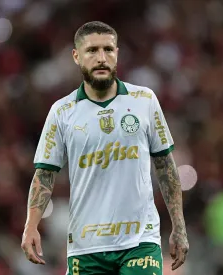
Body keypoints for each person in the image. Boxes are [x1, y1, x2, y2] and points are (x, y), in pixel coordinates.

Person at [21, 21, 189, 275]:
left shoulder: (144, 101)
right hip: (86, 245)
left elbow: (165, 166)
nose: (101, 58)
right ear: (76, 57)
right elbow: (44, 175)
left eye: (108, 50)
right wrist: (30, 226)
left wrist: (179, 226)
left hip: (140, 241)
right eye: (92, 51)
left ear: (117, 54)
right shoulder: (62, 112)